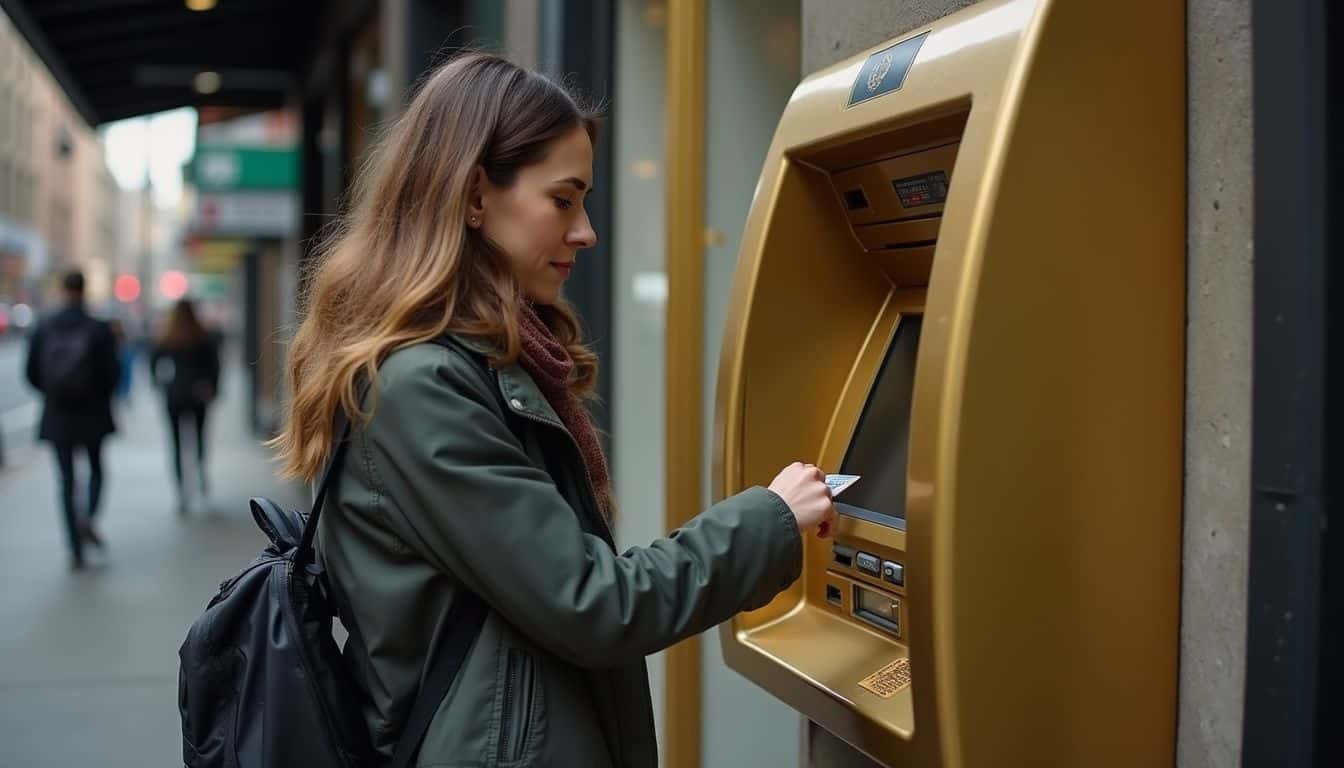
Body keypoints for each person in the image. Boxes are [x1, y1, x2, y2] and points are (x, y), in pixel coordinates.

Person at [268, 53, 838, 766]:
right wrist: (769, 519)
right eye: (563, 200)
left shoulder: (485, 365)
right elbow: (594, 603)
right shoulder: (421, 387)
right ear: (475, 195)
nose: (586, 231)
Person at [25, 270, 120, 570]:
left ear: (62, 290)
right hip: (92, 412)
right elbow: (113, 373)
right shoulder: (98, 328)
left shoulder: (45, 326)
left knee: (66, 480)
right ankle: (87, 518)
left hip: (58, 414)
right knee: (96, 469)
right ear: (84, 290)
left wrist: (55, 393)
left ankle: (74, 547)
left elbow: (31, 373)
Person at [151, 299, 220, 513]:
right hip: (198, 394)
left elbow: (153, 362)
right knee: (199, 437)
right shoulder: (202, 335)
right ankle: (200, 475)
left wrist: (161, 384)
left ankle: (181, 489)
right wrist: (211, 387)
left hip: (175, 394)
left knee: (176, 443)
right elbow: (214, 365)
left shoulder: (167, 336)